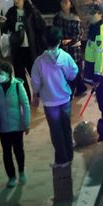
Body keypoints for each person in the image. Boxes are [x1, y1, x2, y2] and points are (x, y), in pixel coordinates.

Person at [30, 26, 78, 167]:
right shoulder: (65, 57)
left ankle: (61, 159)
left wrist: (35, 95)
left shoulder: (39, 61)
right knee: (66, 128)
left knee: (56, 131)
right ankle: (69, 155)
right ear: (59, 41)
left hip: (50, 102)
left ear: (46, 41)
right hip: (65, 98)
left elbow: (35, 82)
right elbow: (73, 73)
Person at [0, 60, 30, 187]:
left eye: (1, 73)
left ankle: (21, 171)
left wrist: (26, 123)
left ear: (8, 73)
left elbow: (25, 105)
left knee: (18, 150)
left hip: (17, 125)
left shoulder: (18, 86)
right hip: (3, 127)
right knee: (6, 152)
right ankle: (11, 177)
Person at [82, 5, 103, 132]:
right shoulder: (94, 27)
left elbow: (100, 54)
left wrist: (97, 75)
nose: (89, 16)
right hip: (99, 72)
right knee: (102, 101)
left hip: (102, 73)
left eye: (91, 14)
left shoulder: (101, 29)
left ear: (99, 14)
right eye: (88, 14)